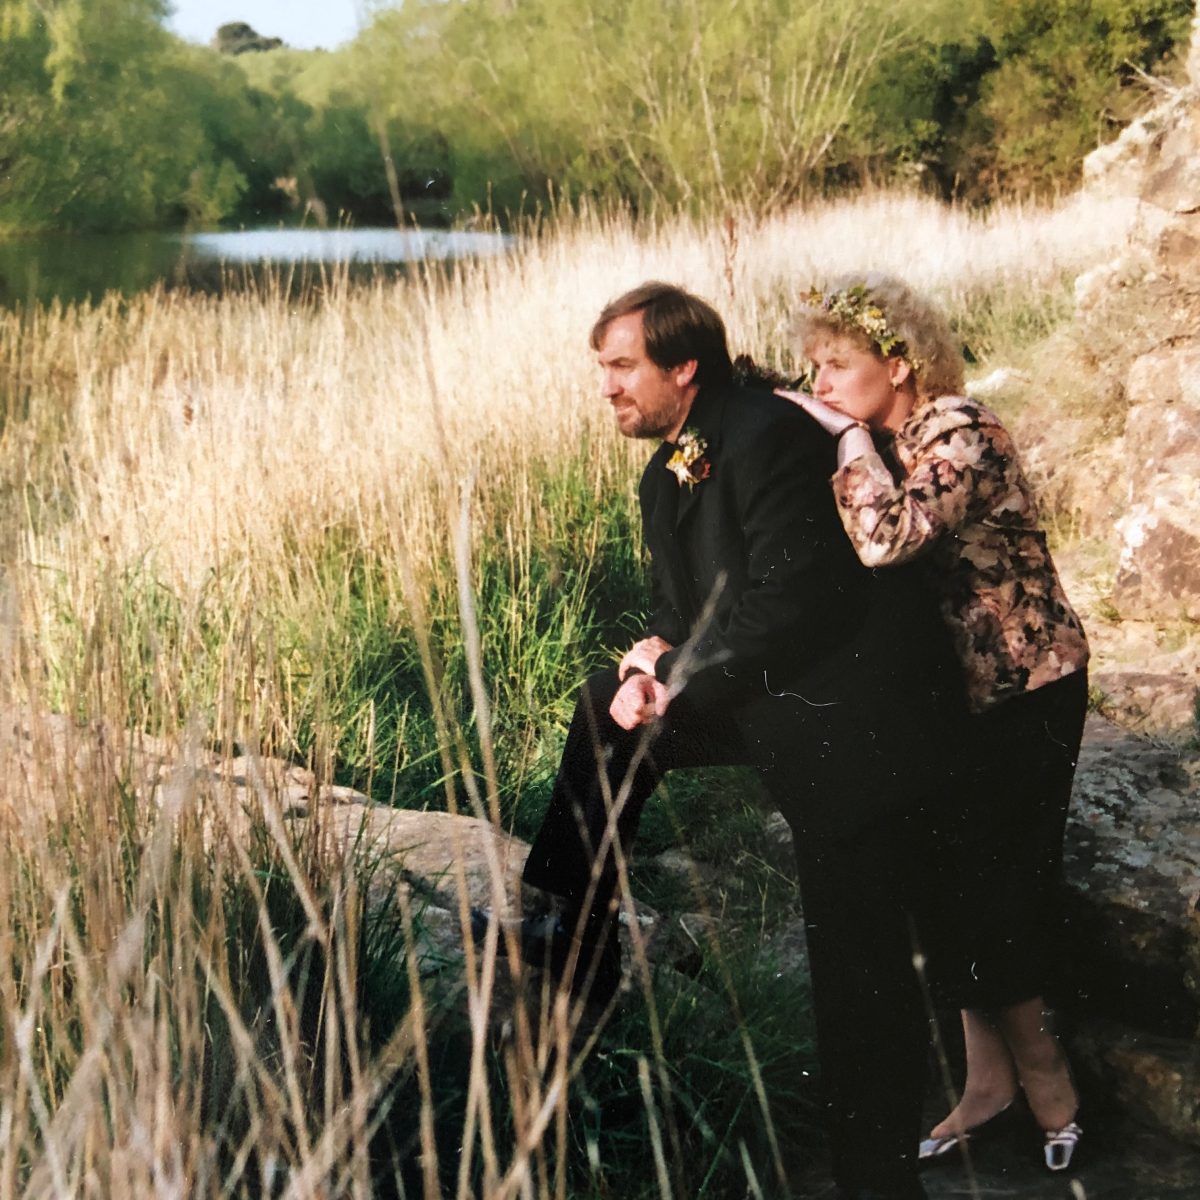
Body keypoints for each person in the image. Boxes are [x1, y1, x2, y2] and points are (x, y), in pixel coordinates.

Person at [515, 280, 969, 1200]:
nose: (605, 387)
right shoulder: (666, 468)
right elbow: (682, 609)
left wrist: (677, 674)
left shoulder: (769, 433)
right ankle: (565, 936)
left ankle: (877, 1184)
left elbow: (793, 599)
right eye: (600, 368)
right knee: (607, 704)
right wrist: (652, 662)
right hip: (769, 696)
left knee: (858, 968)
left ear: (683, 365)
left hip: (856, 718)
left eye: (620, 366)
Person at [779, 274, 1089, 1174]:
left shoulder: (960, 429)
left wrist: (838, 436)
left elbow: (889, 539)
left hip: (1026, 685)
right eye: (816, 370)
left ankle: (1048, 1079)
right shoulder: (888, 436)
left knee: (1000, 880)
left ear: (899, 363)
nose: (825, 384)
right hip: (949, 701)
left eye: (838, 366)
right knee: (945, 880)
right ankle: (985, 1085)